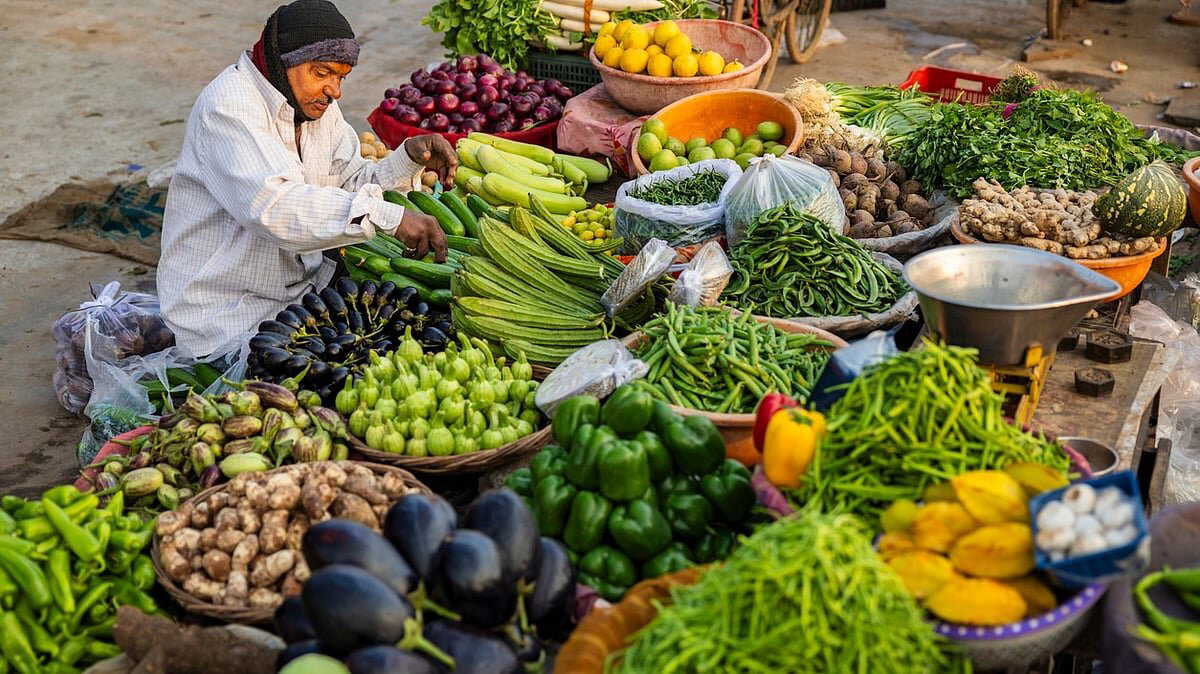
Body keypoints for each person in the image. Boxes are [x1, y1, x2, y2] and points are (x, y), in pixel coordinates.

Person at [157, 0, 455, 356]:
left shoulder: (314, 108)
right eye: (322, 72)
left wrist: (407, 159)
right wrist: (387, 217)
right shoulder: (228, 108)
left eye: (340, 77)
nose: (335, 91)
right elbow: (274, 208)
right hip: (227, 316)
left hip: (301, 298)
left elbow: (352, 182)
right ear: (282, 61)